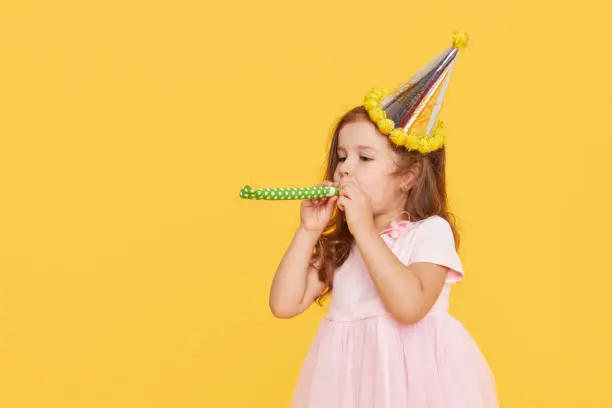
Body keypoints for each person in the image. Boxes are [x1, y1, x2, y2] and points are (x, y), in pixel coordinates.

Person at [269, 32, 499, 407]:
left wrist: (364, 230)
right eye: (341, 157)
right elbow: (283, 304)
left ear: (408, 176)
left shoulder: (429, 233)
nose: (345, 169)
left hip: (417, 392)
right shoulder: (343, 247)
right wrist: (307, 231)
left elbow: (409, 308)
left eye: (365, 158)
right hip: (347, 390)